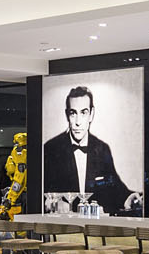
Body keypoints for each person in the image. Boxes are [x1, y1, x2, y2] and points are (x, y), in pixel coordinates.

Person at [42, 85, 139, 213]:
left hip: (94, 223)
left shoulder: (102, 149)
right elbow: (38, 191)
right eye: (73, 113)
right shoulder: (50, 149)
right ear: (67, 115)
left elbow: (115, 188)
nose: (78, 122)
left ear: (91, 114)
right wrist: (52, 203)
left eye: (83, 112)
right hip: (62, 223)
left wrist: (128, 198)